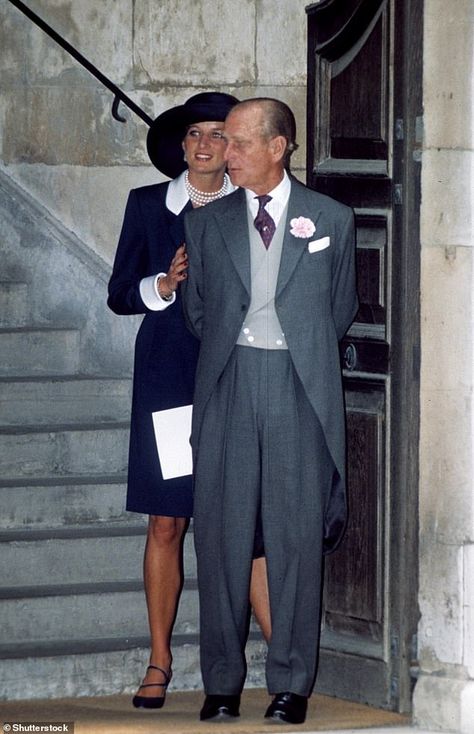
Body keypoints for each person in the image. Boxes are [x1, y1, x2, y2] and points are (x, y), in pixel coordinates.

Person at [182, 97, 358, 725]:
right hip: (229, 384)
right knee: (224, 538)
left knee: (294, 540)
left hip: (298, 389)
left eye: (237, 143)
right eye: (224, 142)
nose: (224, 154)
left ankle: (291, 685)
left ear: (278, 146)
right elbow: (198, 312)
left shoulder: (331, 218)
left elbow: (339, 309)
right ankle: (222, 684)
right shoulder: (207, 224)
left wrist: (294, 351)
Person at [107, 92, 271, 711]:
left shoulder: (252, 207)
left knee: (247, 523)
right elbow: (120, 293)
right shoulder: (148, 205)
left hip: (234, 376)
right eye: (194, 136)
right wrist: (165, 284)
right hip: (170, 380)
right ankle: (159, 661)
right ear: (181, 147)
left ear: (233, 146)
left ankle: (283, 658)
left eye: (217, 135)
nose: (205, 146)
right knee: (168, 520)